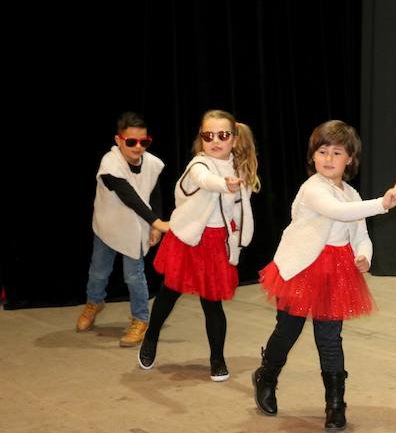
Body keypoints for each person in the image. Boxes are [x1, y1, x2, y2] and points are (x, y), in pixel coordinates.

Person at [251, 120, 396, 432]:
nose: (328, 158)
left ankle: (335, 404)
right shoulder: (312, 189)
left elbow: (360, 233)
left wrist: (364, 256)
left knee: (330, 338)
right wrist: (382, 204)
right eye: (322, 151)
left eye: (337, 153)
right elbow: (337, 212)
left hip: (336, 271)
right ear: (313, 156)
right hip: (301, 268)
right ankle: (266, 375)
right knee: (288, 330)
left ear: (349, 159)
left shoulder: (351, 193)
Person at [138, 109, 260, 381]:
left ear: (235, 139)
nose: (215, 141)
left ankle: (217, 359)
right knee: (169, 293)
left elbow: (240, 211)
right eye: (208, 135)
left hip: (217, 245)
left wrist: (238, 237)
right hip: (190, 240)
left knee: (212, 304)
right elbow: (205, 180)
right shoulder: (198, 164)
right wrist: (223, 184)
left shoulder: (239, 169)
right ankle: (151, 336)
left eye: (223, 135)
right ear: (201, 139)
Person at [77, 111, 167, 346]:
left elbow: (154, 193)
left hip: (134, 230)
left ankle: (140, 319)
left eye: (143, 142)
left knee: (134, 276)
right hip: (108, 227)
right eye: (131, 142)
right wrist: (156, 222)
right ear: (118, 140)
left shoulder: (153, 163)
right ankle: (94, 303)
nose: (138, 147)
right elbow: (129, 196)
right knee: (98, 272)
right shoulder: (110, 163)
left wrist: (154, 224)